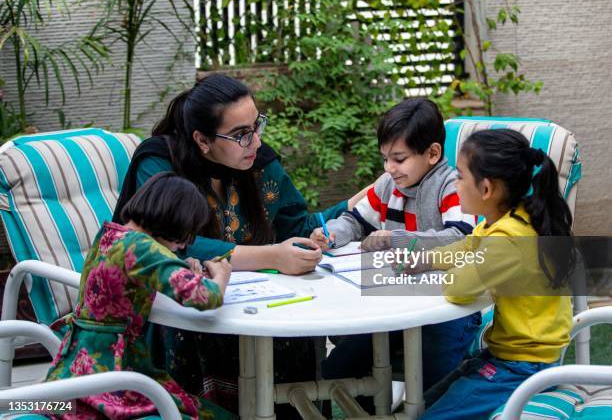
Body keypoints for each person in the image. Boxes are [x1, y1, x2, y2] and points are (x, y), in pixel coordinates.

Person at [112, 74, 367, 415]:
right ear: (201, 139)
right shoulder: (162, 163)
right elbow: (166, 246)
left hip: (254, 301)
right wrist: (272, 256)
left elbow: (299, 225)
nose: (256, 142)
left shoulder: (261, 164)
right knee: (205, 327)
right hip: (170, 309)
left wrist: (360, 203)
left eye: (257, 125)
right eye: (240, 135)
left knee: (293, 321)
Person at [311, 98, 481, 408]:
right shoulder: (388, 185)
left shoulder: (452, 186)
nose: (390, 168)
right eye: (386, 158)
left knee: (433, 388)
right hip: (394, 307)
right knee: (337, 368)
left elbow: (461, 237)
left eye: (399, 159)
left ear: (432, 153)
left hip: (446, 310)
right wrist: (332, 234)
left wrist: (396, 238)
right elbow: (356, 220)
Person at [408, 129, 575, 420]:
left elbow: (459, 287)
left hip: (522, 365)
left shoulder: (508, 238)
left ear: (486, 189)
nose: (454, 184)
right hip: (512, 356)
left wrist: (466, 267)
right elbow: (468, 245)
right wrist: (427, 260)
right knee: (426, 401)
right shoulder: (508, 218)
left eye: (460, 176)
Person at [45, 172, 234, 419]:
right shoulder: (145, 248)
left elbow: (133, 276)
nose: (182, 246)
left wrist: (182, 268)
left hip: (76, 364)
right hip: (113, 375)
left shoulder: (111, 234)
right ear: (176, 221)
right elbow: (205, 297)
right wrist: (222, 275)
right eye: (186, 236)